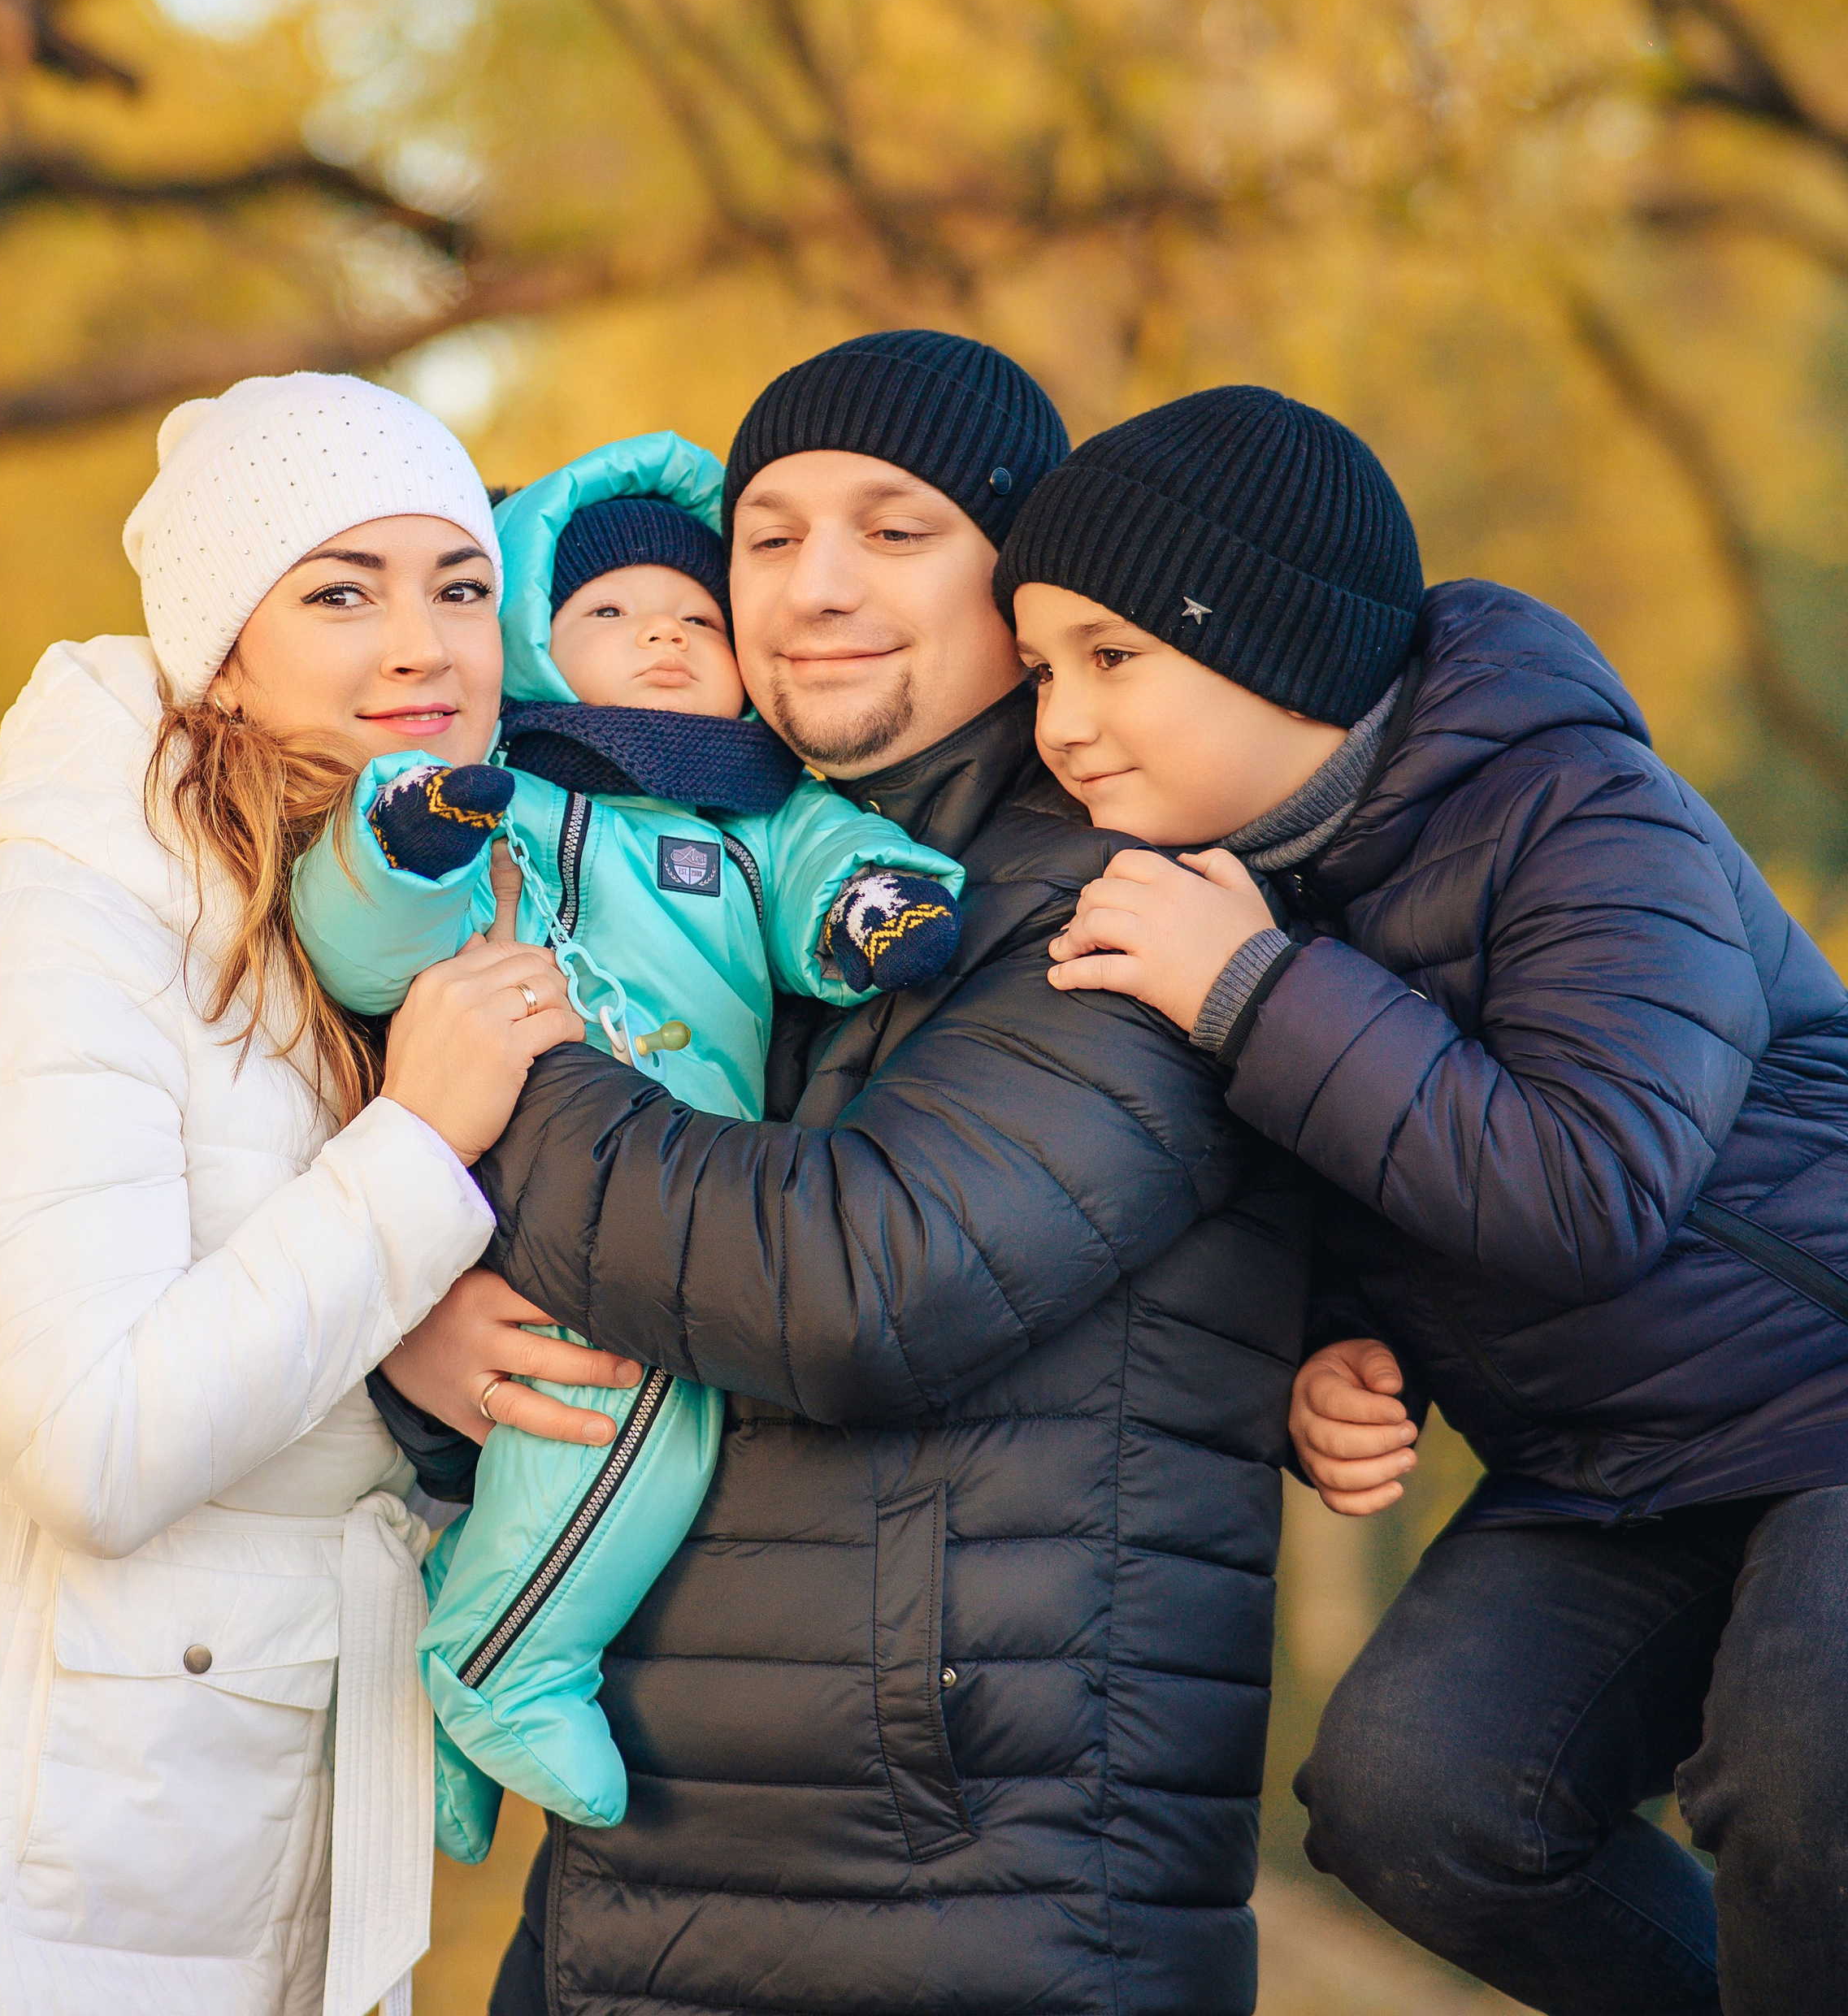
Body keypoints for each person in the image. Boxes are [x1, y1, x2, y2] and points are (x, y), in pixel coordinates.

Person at [376, 330, 1312, 2016]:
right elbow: (609, 1317)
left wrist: (485, 1059)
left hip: (953, 1903)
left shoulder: (1118, 899)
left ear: (1017, 583)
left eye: (894, 531)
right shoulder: (705, 882)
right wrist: (413, 1331)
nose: (812, 587)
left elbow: (853, 1288)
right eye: (769, 533)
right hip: (634, 1879)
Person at [1017, 384, 1848, 2014]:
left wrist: (1255, 997)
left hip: (1838, 1395)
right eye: (1042, 669)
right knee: (1415, 1793)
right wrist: (1337, 1350)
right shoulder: (1230, 906)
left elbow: (1586, 1185)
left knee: (1812, 1753)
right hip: (1609, 1466)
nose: (1058, 717)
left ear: (1267, 640)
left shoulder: (1573, 809)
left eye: (1109, 655)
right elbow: (1345, 1186)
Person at [0, 371, 631, 2016]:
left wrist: (403, 1350)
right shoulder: (54, 938)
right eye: (342, 590)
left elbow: (268, 1343)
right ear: (219, 644)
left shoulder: (358, 925)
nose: (426, 646)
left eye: (460, 587)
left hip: (213, 1875)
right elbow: (95, 1442)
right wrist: (413, 1151)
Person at [288, 427, 965, 1846]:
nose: (658, 637)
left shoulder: (759, 814)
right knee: (635, 1421)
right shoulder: (504, 791)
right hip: (508, 1163)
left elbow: (824, 883)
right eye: (607, 614)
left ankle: (459, 1647)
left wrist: (872, 908)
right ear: (538, 639)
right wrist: (410, 850)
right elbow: (359, 951)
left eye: (693, 619)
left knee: (559, 1437)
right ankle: (505, 1661)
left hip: (668, 1179)